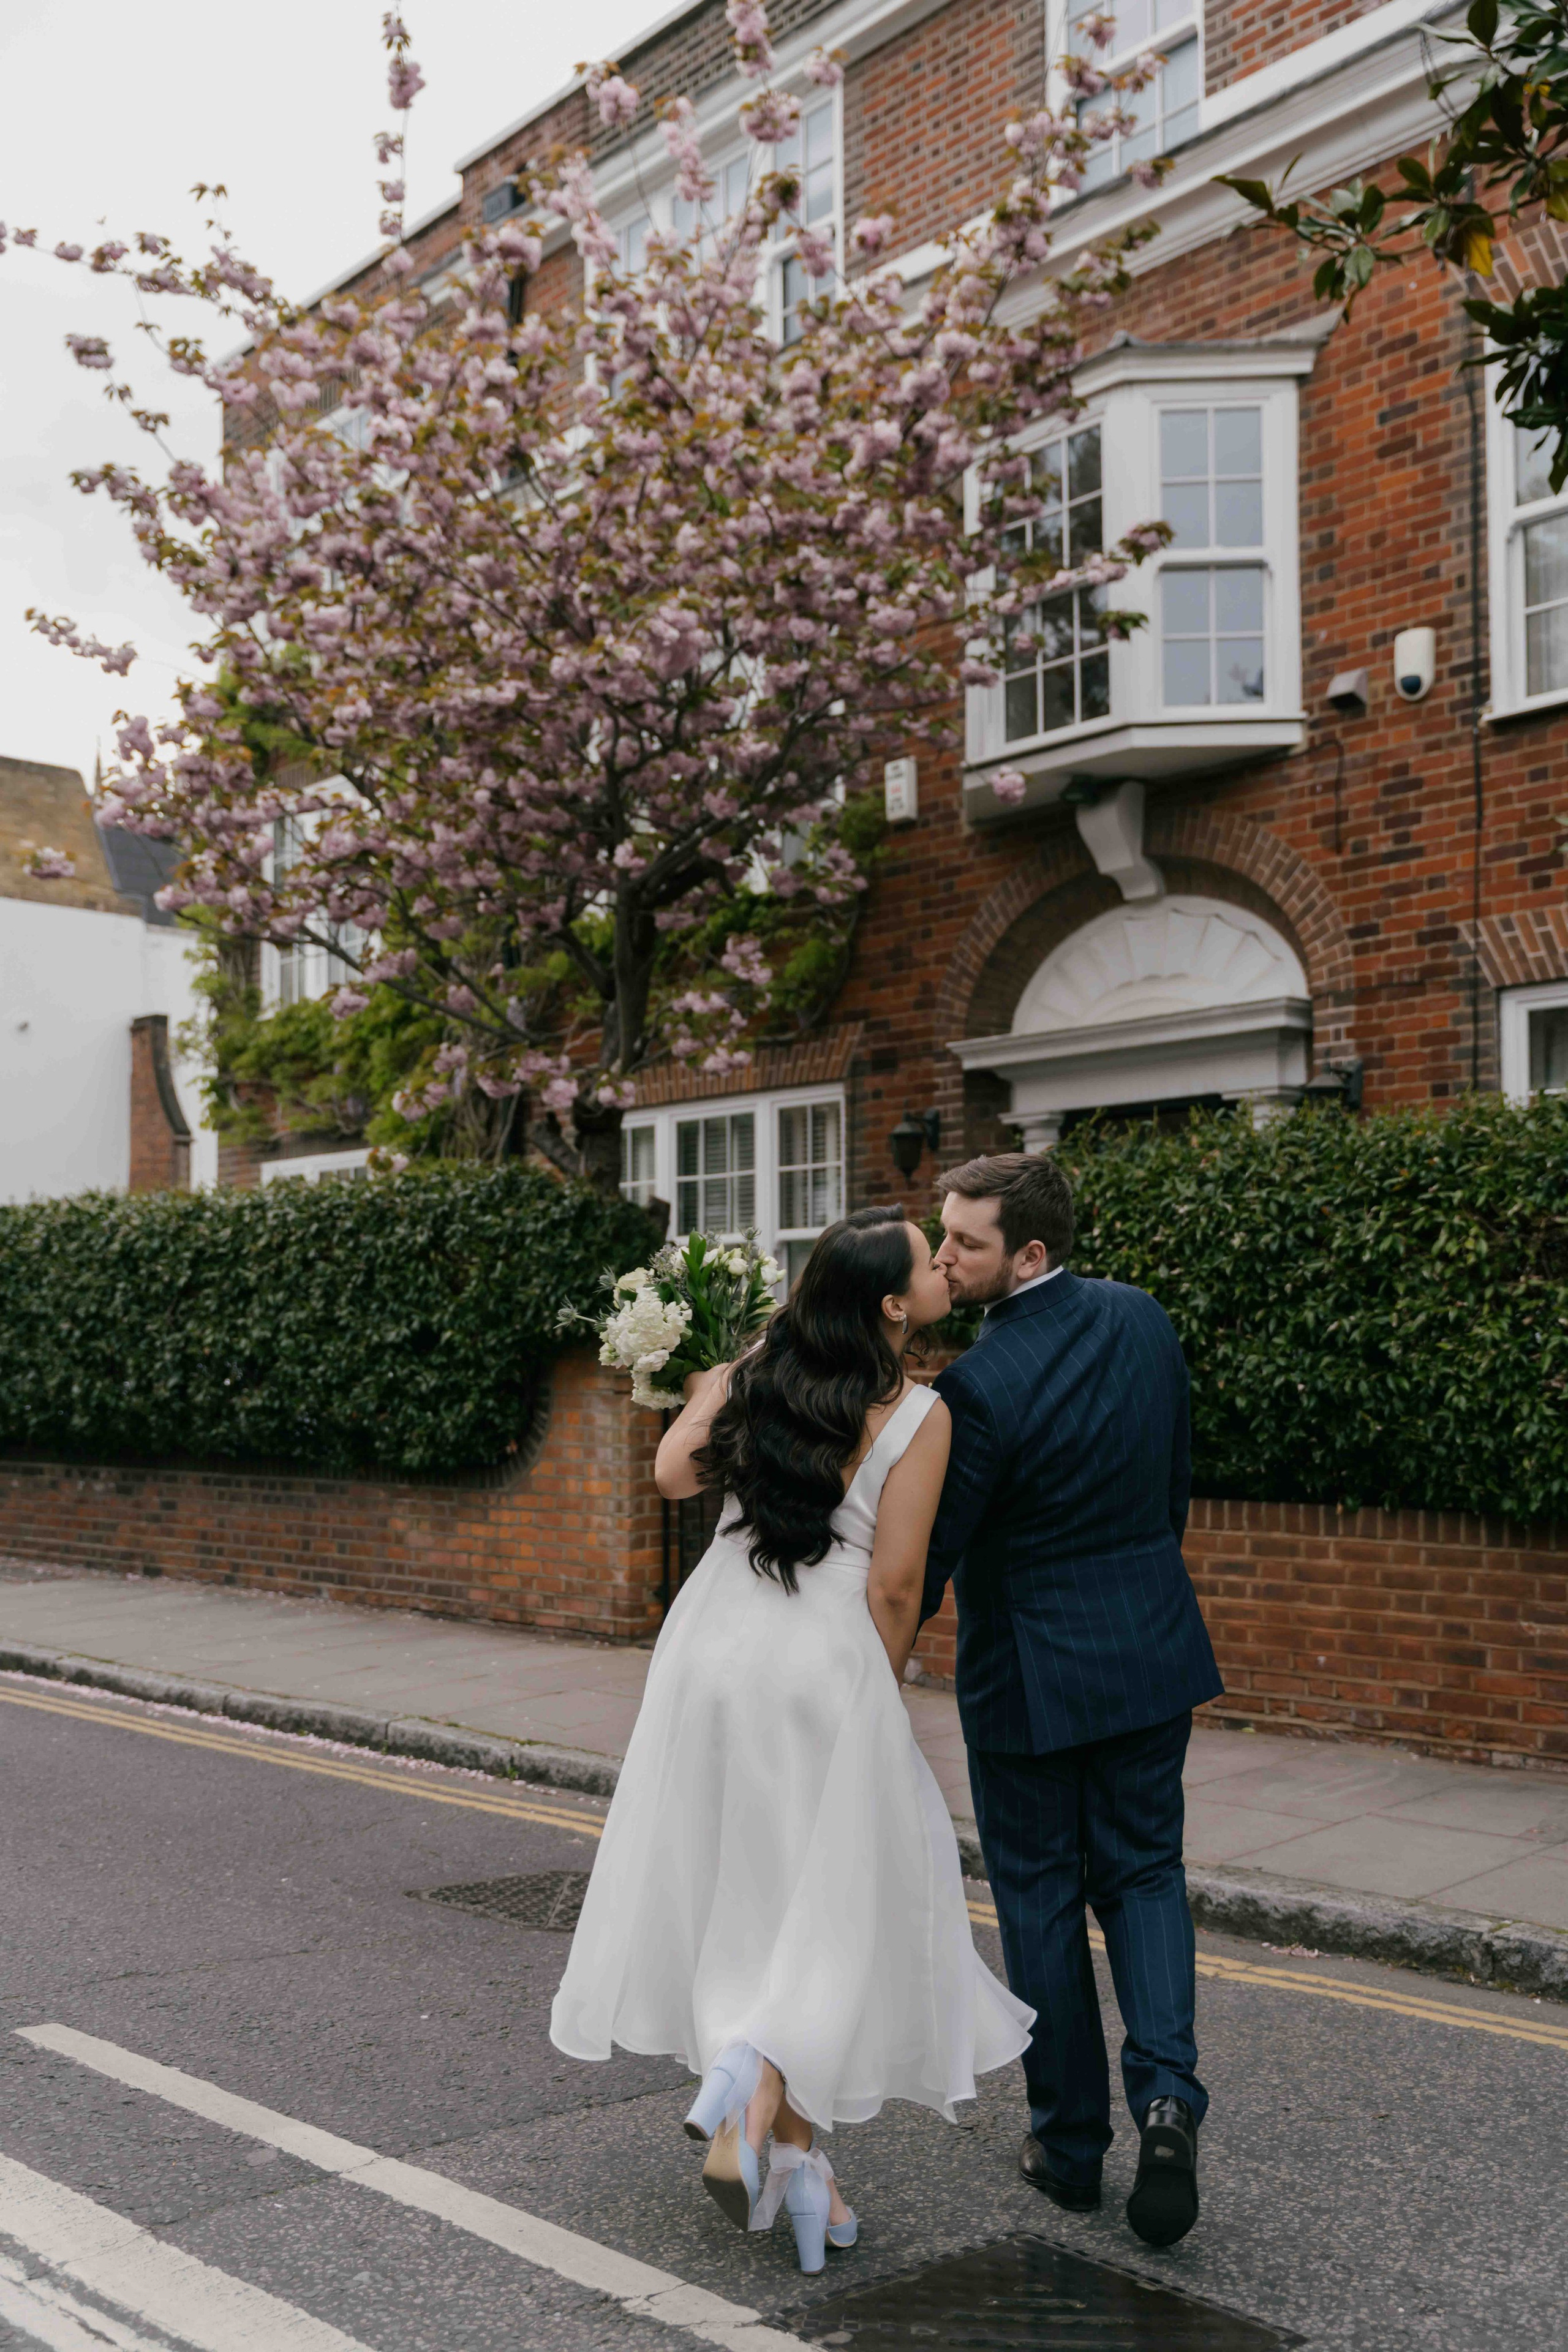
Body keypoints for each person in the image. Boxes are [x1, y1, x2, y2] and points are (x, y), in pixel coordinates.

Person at [549, 1207, 1032, 2273]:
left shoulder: (761, 1370)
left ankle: (802, 2169)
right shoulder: (921, 1413)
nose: (944, 1264)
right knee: (843, 1903)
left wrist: (711, 1387)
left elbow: (673, 1475)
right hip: (822, 1663)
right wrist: (877, 1695)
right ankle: (759, 2070)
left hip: (714, 1650)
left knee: (760, 1894)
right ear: (894, 1304)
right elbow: (898, 1583)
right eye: (929, 1259)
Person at [925, 1151, 1223, 2250]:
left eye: (966, 1242)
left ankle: (1071, 2146)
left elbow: (937, 1552)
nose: (944, 1257)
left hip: (1028, 1681)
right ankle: (1168, 2101)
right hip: (1151, 1652)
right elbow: (1173, 1485)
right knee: (1146, 1876)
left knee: (1042, 1899)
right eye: (943, 1235)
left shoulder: (977, 1384)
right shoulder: (1145, 1319)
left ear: (1029, 1255)